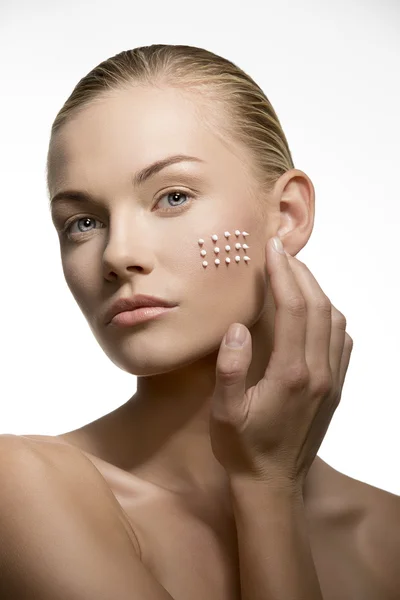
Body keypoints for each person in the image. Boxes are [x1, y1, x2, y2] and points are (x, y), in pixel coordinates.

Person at [1, 44, 399, 600]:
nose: (118, 254)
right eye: (83, 222)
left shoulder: (389, 540)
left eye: (172, 197)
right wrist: (267, 489)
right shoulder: (22, 488)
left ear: (287, 215)